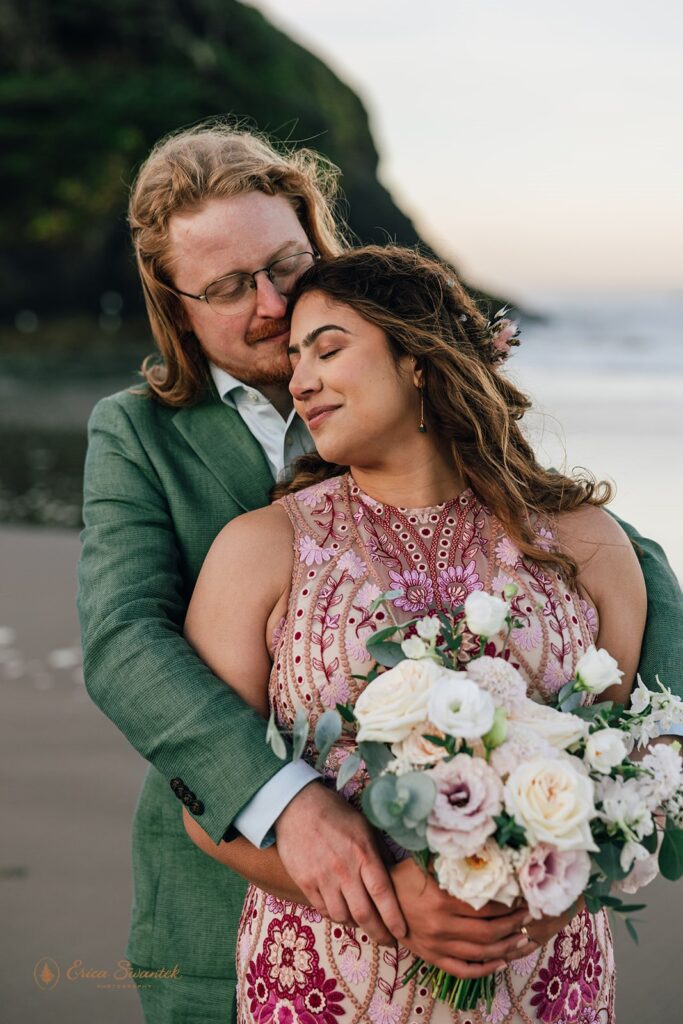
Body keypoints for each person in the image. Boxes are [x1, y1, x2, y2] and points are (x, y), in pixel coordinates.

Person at [77, 124, 683, 1024]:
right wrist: (287, 806)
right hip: (241, 909)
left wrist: (638, 772)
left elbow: (609, 551)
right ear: (175, 302)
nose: (274, 304)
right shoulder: (140, 436)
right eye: (229, 287)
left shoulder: (413, 383)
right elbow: (124, 640)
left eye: (286, 264)